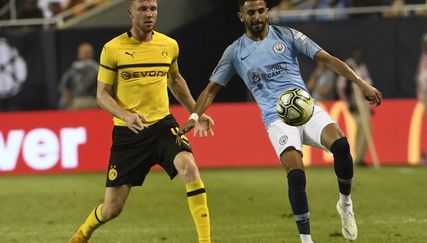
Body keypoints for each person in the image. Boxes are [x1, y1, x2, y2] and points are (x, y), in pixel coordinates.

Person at [178, 1, 382, 242]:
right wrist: (194, 116)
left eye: (261, 11)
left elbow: (327, 59)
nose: (257, 17)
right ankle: (306, 240)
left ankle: (346, 205)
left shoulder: (287, 36)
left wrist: (360, 83)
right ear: (241, 16)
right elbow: (211, 90)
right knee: (296, 175)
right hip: (277, 119)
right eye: (251, 13)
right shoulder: (235, 52)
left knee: (341, 146)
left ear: (266, 12)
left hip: (306, 108)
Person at [69, 0, 213, 242]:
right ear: (130, 13)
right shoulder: (113, 49)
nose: (149, 14)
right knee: (112, 209)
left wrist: (195, 113)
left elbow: (175, 80)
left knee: (189, 166)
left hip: (163, 126)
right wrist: (125, 115)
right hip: (128, 134)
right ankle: (84, 232)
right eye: (143, 9)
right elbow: (102, 95)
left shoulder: (169, 45)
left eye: (153, 9)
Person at [337, 47, 373, 166]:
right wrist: (348, 103)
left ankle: (359, 157)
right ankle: (356, 157)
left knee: (367, 130)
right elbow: (341, 86)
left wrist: (369, 105)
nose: (359, 58)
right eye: (357, 56)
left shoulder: (362, 67)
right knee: (360, 128)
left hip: (364, 103)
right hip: (354, 102)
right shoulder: (349, 66)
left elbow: (368, 85)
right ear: (354, 56)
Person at [59, 42, 99, 109]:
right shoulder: (98, 68)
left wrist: (67, 104)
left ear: (79, 55)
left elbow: (65, 88)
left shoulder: (72, 69)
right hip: (93, 102)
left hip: (78, 102)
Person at [416, 31, 427, 163]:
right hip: (426, 93)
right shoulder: (424, 57)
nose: (426, 46)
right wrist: (420, 92)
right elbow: (421, 77)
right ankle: (425, 154)